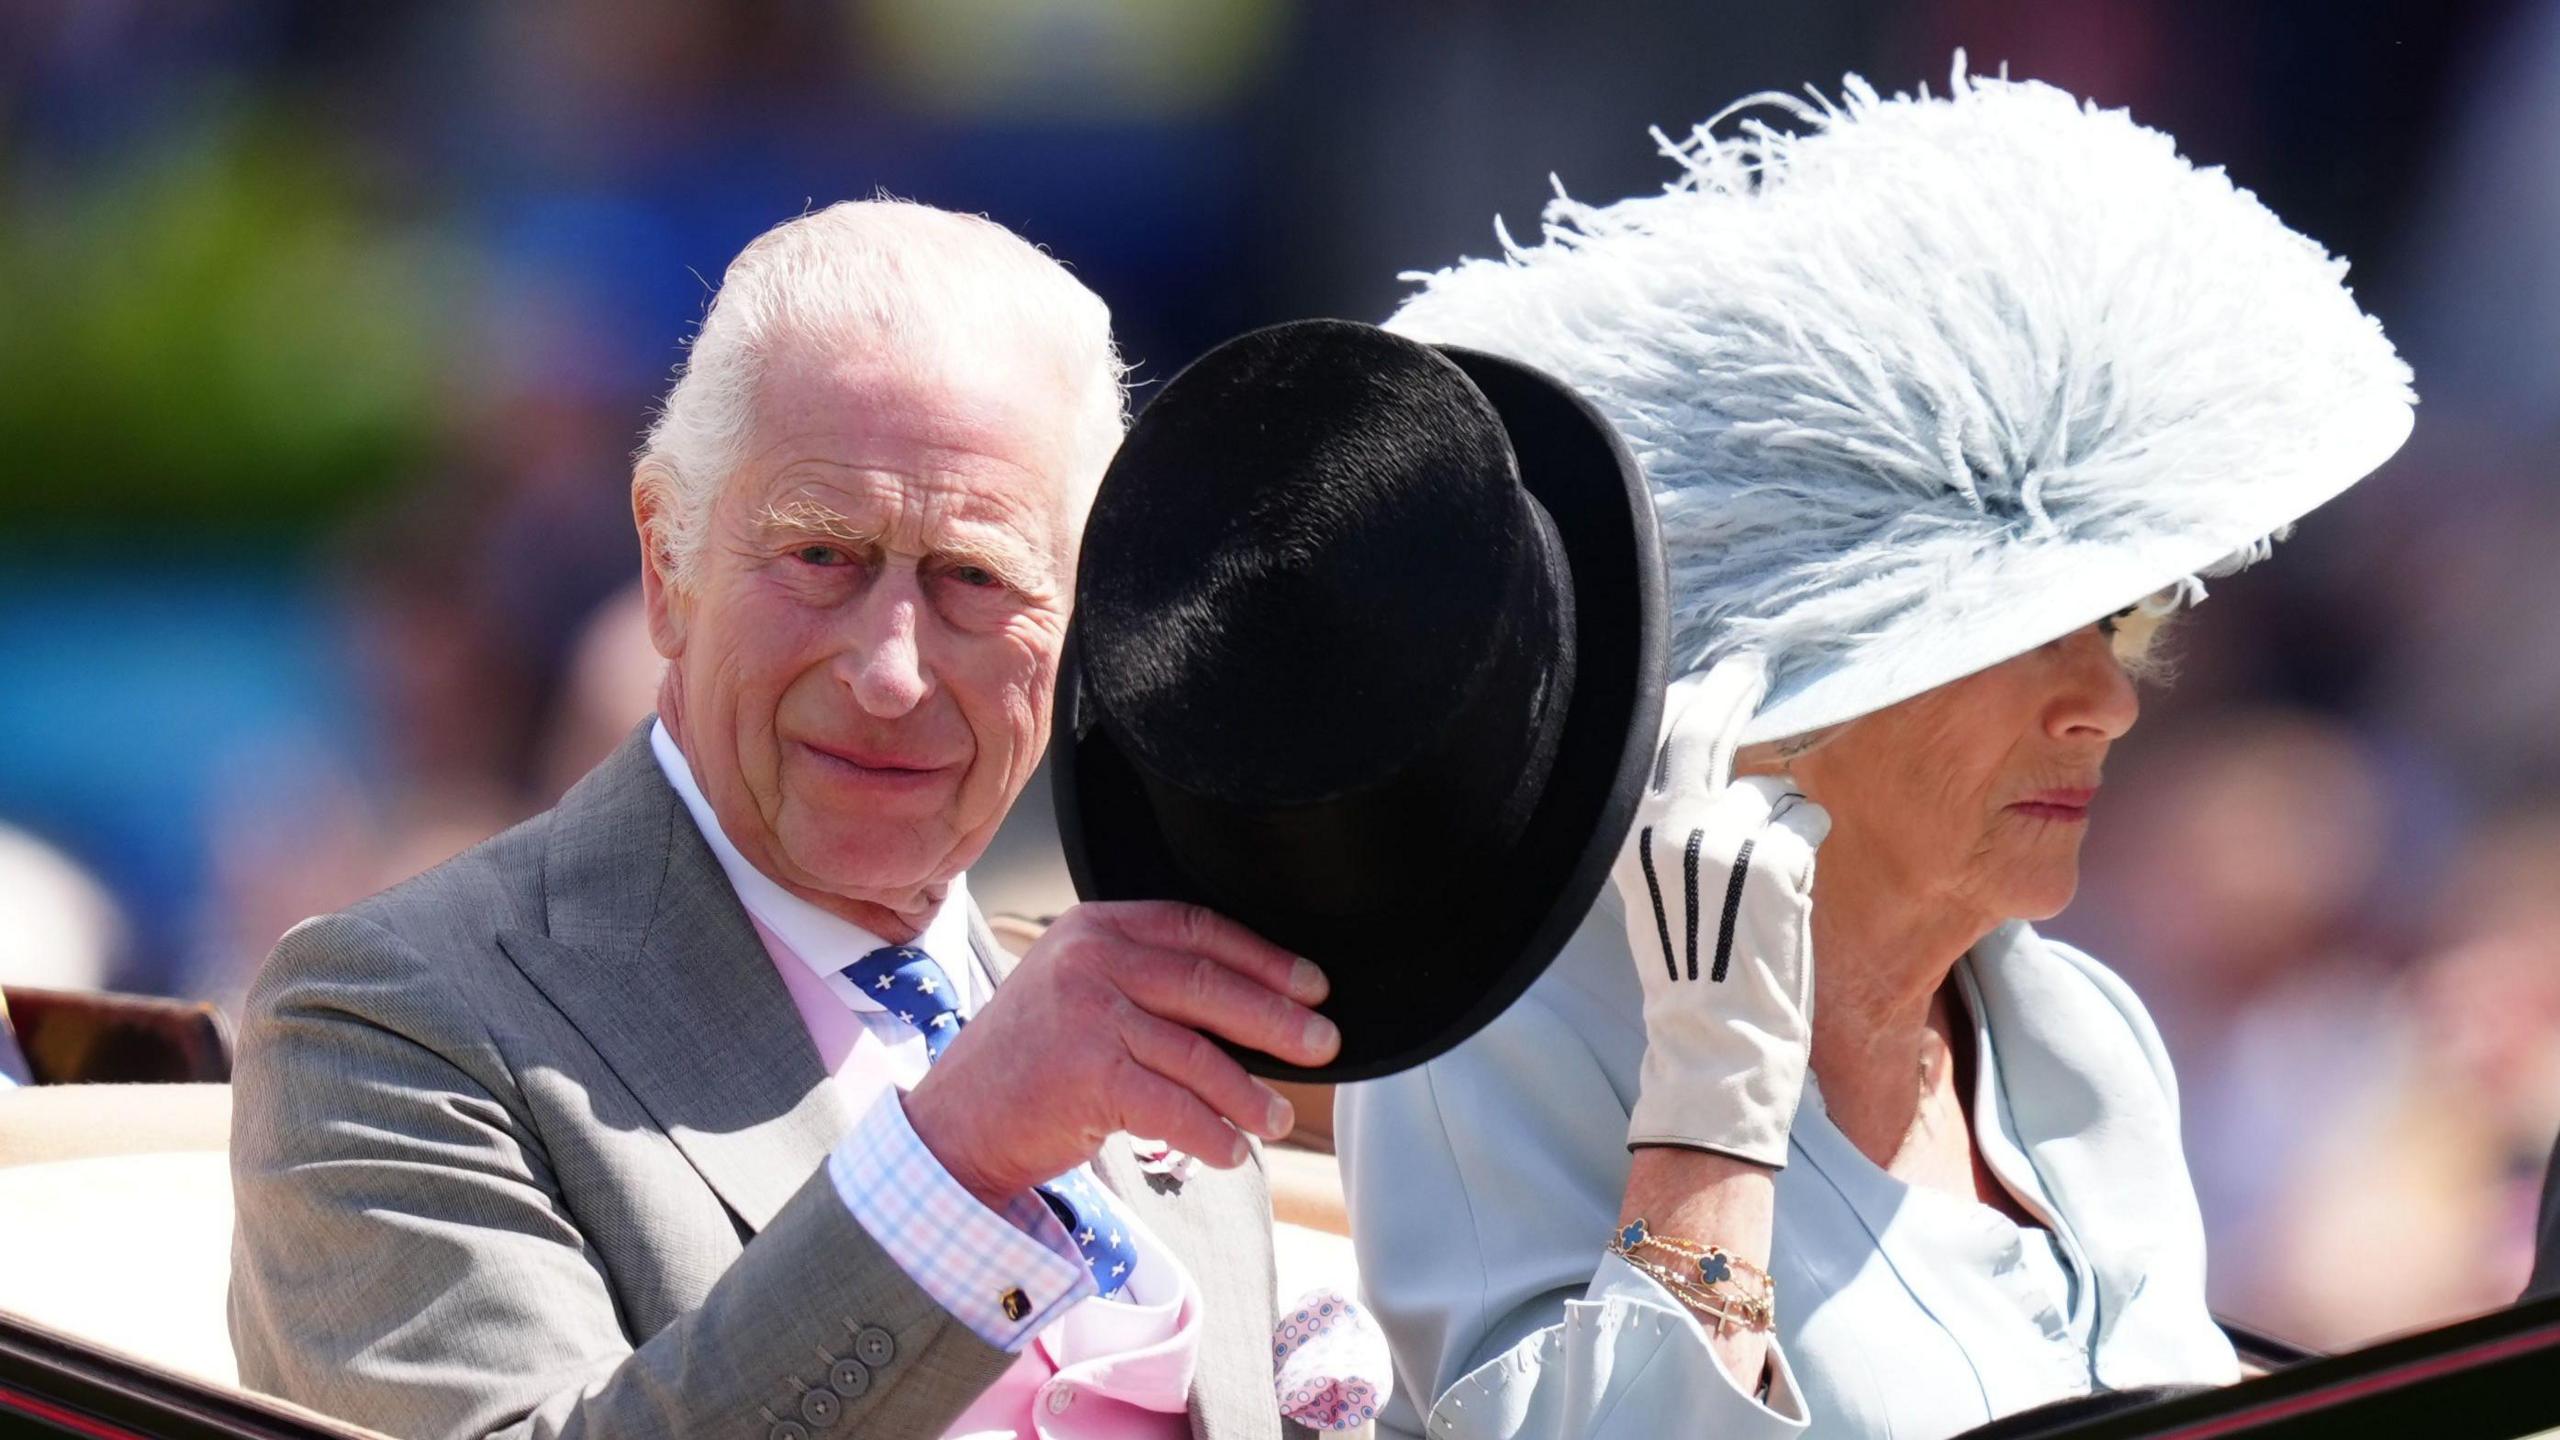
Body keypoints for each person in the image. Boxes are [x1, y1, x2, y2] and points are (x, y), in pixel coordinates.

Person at [1339, 60, 2414, 1439]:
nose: (2110, 701)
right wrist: (1709, 1106)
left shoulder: (2079, 1032)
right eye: (2019, 633)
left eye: (2112, 621)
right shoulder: (1499, 1037)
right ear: (1786, 689)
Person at [228, 200, 1341, 1440]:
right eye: (822, 555)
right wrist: (957, 1164)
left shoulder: (1120, 1010)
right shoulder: (392, 1019)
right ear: (667, 564)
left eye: (975, 577)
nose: (892, 671)